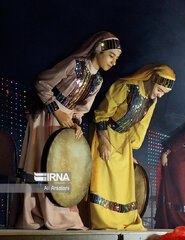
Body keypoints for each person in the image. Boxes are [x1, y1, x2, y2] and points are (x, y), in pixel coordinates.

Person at [12, 31, 122, 230]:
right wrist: (57, 112)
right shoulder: (75, 65)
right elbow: (42, 83)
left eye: (117, 59)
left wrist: (77, 123)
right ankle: (36, 214)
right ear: (99, 50)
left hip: (66, 123)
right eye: (111, 56)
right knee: (43, 164)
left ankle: (63, 216)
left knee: (62, 166)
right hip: (47, 117)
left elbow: (82, 109)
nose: (113, 62)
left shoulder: (98, 81)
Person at [90, 64, 176, 230]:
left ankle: (120, 220)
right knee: (103, 180)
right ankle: (103, 220)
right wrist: (104, 141)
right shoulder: (125, 87)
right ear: (152, 80)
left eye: (164, 93)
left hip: (123, 141)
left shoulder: (152, 100)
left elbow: (140, 127)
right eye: (160, 90)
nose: (160, 95)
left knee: (123, 185)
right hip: (105, 133)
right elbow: (101, 113)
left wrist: (130, 150)